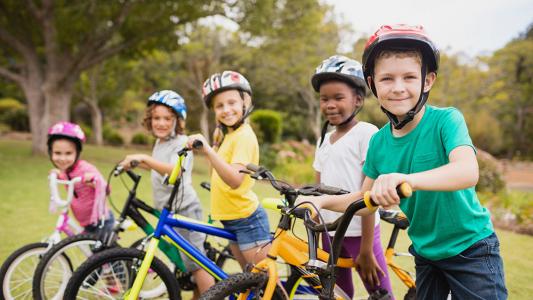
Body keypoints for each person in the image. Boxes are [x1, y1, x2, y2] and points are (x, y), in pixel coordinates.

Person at [303, 24, 507, 300]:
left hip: (471, 248)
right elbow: (364, 200)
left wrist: (408, 179)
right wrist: (321, 201)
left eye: (409, 77)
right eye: (387, 79)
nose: (398, 88)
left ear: (428, 80)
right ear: (372, 83)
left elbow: (467, 172)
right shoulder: (378, 142)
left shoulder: (446, 120)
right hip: (425, 252)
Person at [311, 55, 393, 298]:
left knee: (380, 291)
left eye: (338, 98)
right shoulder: (323, 141)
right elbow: (318, 189)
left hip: (361, 233)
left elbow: (369, 196)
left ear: (357, 100)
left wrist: (366, 249)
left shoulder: (366, 133)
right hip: (330, 233)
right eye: (324, 99)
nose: (330, 105)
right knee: (336, 293)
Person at [118, 90, 214, 298]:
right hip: (169, 210)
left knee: (196, 263)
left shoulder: (182, 143)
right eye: (156, 118)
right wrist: (137, 164)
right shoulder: (160, 142)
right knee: (186, 263)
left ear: (177, 121)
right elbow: (159, 168)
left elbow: (175, 170)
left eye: (167, 118)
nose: (160, 123)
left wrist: (143, 158)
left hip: (186, 209)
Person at [186, 71, 271, 270]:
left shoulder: (243, 136)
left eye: (231, 103)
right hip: (231, 219)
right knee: (248, 280)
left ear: (245, 102)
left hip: (247, 219)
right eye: (219, 106)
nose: (226, 110)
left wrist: (207, 150)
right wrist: (215, 145)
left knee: (263, 283)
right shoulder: (229, 135)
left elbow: (235, 180)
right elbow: (216, 173)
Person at [47, 121, 114, 235]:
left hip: (101, 221)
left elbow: (107, 189)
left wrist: (94, 182)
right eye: (57, 153)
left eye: (68, 153)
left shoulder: (86, 169)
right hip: (86, 223)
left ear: (77, 153)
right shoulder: (66, 171)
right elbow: (67, 178)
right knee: (90, 252)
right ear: (50, 152)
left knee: (104, 253)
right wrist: (58, 174)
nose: (63, 158)